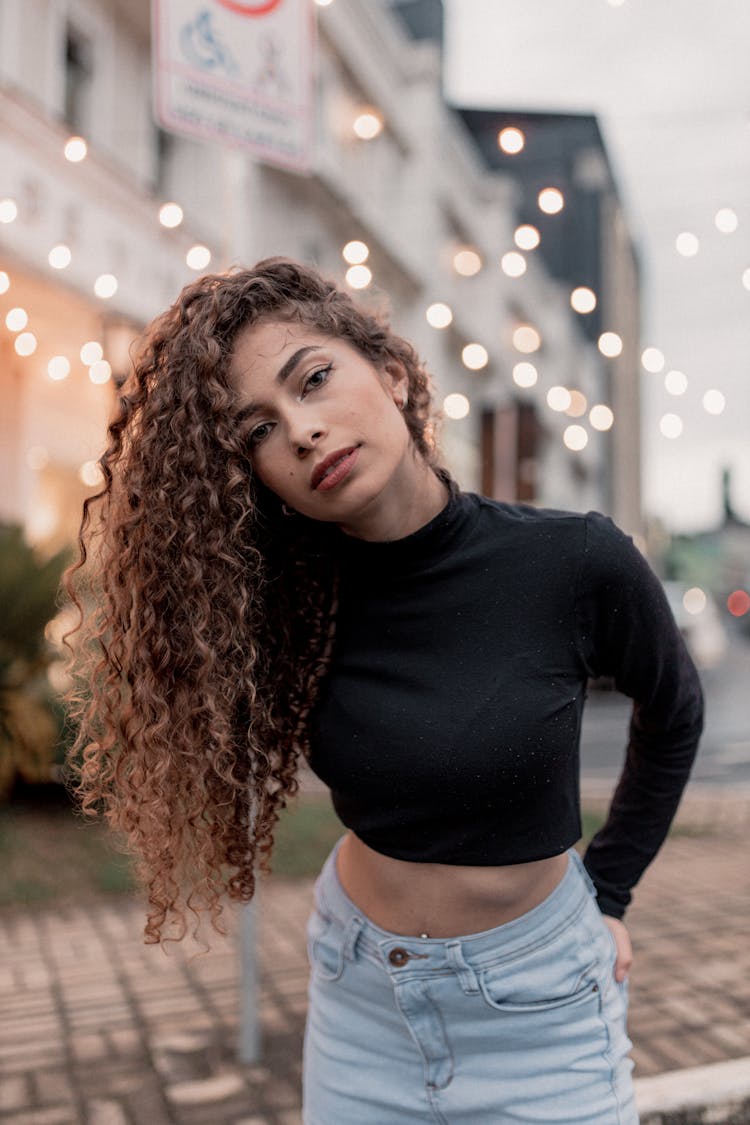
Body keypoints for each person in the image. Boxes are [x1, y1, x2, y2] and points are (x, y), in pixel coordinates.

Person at [63, 257, 703, 1124]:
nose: (303, 432)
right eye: (258, 431)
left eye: (315, 380)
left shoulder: (572, 559)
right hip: (361, 996)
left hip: (540, 1008)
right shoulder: (283, 602)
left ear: (392, 372)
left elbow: (674, 713)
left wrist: (612, 892)